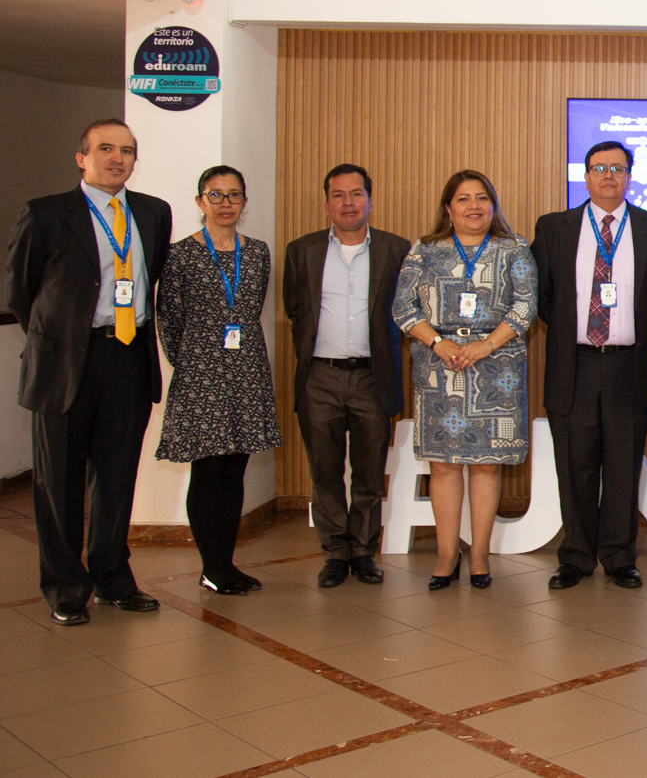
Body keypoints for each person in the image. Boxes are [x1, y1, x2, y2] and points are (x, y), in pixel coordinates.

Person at [8, 119, 171, 625]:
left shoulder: (152, 213)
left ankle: (113, 579)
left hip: (127, 357)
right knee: (58, 481)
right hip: (65, 365)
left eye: (126, 150)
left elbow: (152, 275)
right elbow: (21, 293)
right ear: (81, 158)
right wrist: (57, 339)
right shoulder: (46, 214)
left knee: (117, 478)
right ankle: (65, 587)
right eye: (105, 149)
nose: (116, 158)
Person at [533, 142, 647, 590]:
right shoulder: (555, 227)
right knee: (574, 464)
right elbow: (543, 296)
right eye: (599, 168)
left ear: (630, 176)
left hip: (629, 365)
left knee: (622, 465)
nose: (609, 176)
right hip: (573, 363)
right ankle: (575, 556)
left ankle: (618, 556)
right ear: (586, 176)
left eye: (618, 168)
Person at [393, 170, 537, 590]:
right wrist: (438, 343)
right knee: (442, 466)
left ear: (493, 206)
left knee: (487, 468)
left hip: (496, 369)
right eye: (463, 199)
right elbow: (403, 310)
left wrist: (485, 346)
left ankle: (479, 555)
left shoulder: (514, 249)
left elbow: (526, 308)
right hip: (440, 369)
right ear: (448, 209)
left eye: (481, 198)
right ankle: (444, 555)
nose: (473, 206)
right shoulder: (424, 250)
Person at [155, 167, 282, 594]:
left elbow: (250, 308)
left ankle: (226, 563)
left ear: (244, 202)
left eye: (234, 195)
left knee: (234, 473)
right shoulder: (180, 255)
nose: (225, 203)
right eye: (216, 194)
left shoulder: (259, 252)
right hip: (200, 376)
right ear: (199, 201)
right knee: (207, 474)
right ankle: (211, 568)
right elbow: (168, 321)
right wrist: (195, 363)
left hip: (247, 372)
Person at [283, 164, 411, 589]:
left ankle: (363, 551)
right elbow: (295, 309)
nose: (348, 203)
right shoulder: (302, 250)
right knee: (324, 473)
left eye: (356, 194)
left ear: (369, 201)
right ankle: (335, 553)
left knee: (370, 473)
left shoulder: (396, 249)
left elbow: (406, 310)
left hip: (373, 376)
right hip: (319, 376)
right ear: (326, 204)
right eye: (338, 195)